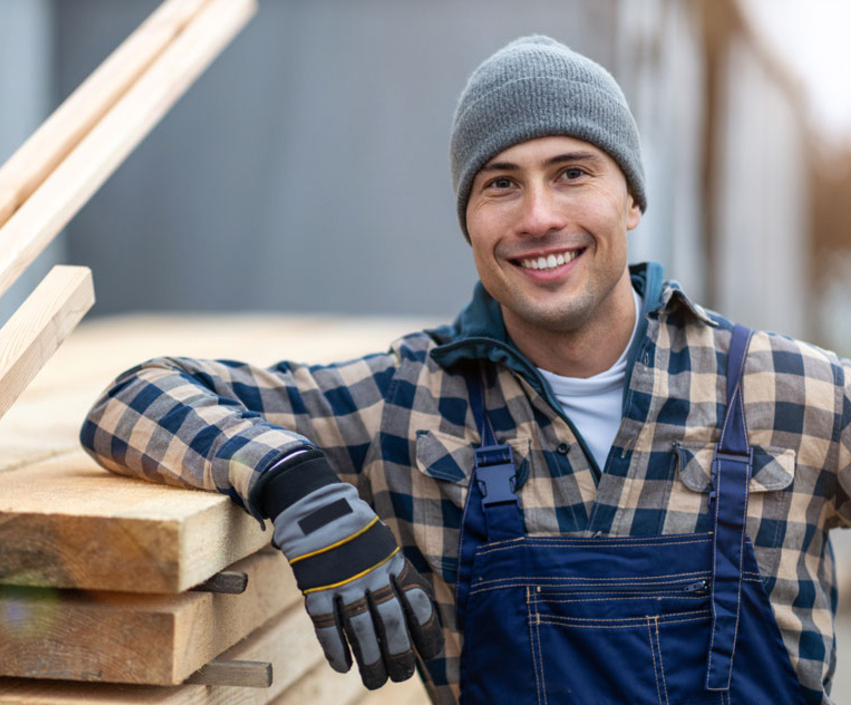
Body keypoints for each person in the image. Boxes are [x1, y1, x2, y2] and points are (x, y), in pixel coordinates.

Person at [81, 35, 849, 705]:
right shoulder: (411, 402)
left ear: (632, 200)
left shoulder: (791, 392)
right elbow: (134, 398)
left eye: (573, 171)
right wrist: (294, 483)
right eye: (501, 183)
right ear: (470, 220)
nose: (538, 215)